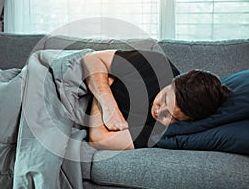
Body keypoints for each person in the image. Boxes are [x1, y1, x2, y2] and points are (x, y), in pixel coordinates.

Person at [83, 49, 231, 150]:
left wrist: (99, 92)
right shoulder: (156, 64)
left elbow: (98, 140)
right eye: (164, 98)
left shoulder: (163, 131)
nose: (158, 111)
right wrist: (108, 103)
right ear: (172, 82)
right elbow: (91, 59)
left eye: (169, 116)